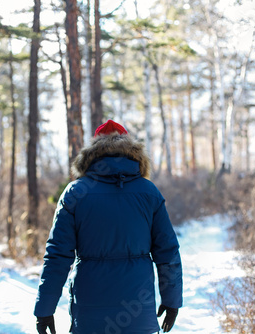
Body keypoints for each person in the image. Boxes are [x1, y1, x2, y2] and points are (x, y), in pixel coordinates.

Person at [34, 120, 183, 334]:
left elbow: (57, 255)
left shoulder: (76, 193)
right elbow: (168, 252)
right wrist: (172, 300)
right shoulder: (148, 192)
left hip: (89, 314)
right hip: (137, 312)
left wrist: (44, 308)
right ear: (132, 151)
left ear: (93, 152)